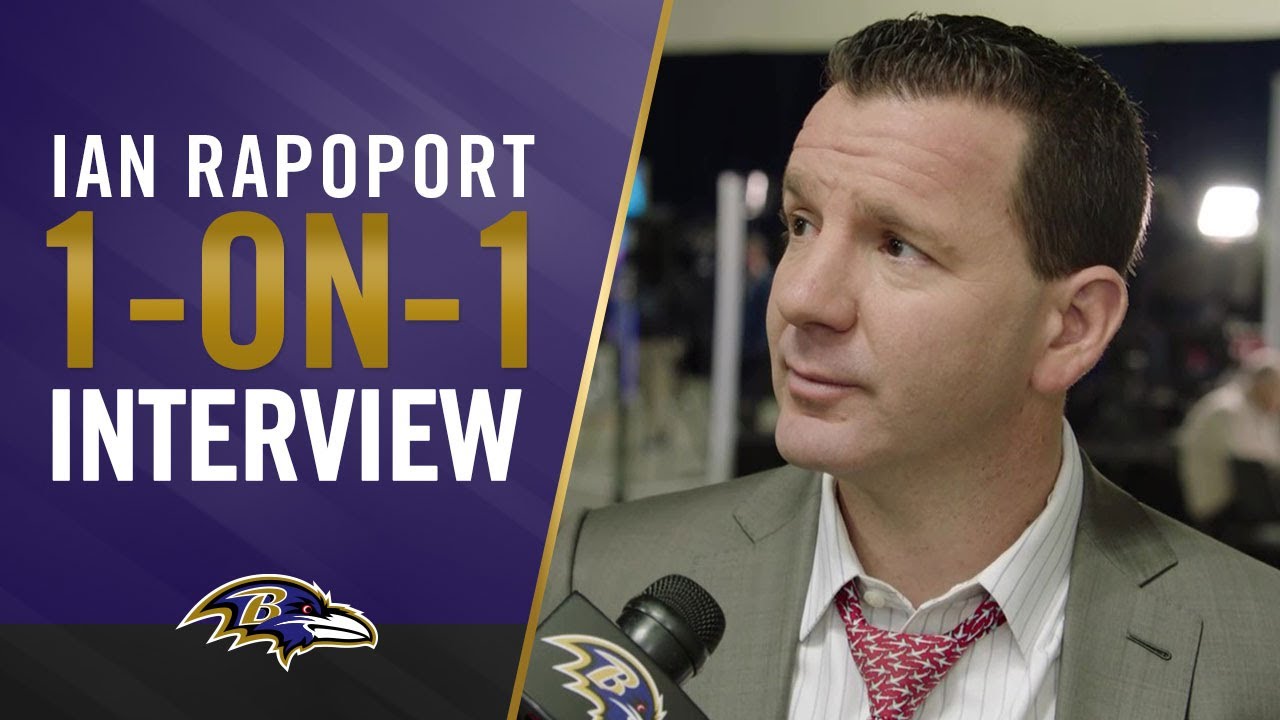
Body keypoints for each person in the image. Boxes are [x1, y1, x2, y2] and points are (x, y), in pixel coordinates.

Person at [542, 14, 1280, 719]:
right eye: (801, 224)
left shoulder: (1257, 655)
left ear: (1071, 328)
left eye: (897, 245)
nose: (800, 298)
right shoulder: (598, 575)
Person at [1176, 351, 1280, 530]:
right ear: (1264, 384)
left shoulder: (1248, 407)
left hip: (1237, 503)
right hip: (1219, 510)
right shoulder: (1229, 409)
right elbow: (1256, 466)